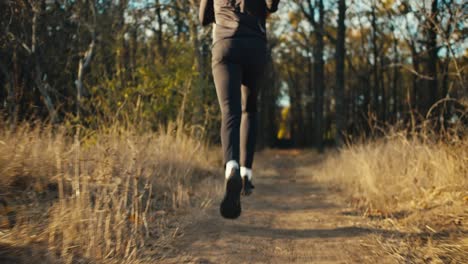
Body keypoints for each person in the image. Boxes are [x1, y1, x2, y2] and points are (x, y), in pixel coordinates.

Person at [199, 0, 280, 219]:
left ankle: (231, 166)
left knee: (230, 111)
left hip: (226, 45)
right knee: (249, 109)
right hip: (255, 47)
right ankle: (246, 173)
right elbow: (272, 6)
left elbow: (203, 18)